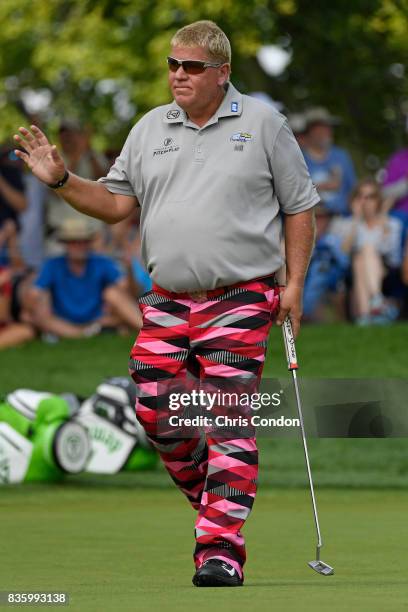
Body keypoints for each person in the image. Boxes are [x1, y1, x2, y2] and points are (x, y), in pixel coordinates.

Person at [13, 20, 318, 587]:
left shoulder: (264, 124)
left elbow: (300, 207)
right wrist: (60, 180)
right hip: (168, 301)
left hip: (242, 296)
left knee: (226, 419)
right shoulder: (151, 127)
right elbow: (111, 204)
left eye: (192, 66)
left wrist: (294, 284)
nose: (178, 74)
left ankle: (220, 549)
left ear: (221, 72)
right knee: (154, 408)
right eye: (173, 65)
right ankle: (220, 504)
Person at [27, 218, 142, 339]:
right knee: (40, 300)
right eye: (74, 241)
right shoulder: (52, 265)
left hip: (98, 318)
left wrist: (129, 270)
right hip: (63, 319)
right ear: (65, 244)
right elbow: (34, 295)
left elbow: (130, 291)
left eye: (83, 241)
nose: (79, 245)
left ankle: (149, 331)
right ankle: (86, 333)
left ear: (89, 243)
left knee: (113, 293)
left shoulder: (101, 262)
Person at [341, 178, 402, 324]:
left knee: (365, 251)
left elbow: (393, 254)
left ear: (378, 200)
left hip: (387, 270)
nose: (365, 201)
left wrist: (383, 225)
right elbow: (343, 252)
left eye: (370, 197)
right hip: (355, 271)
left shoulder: (391, 223)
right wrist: (356, 219)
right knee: (359, 260)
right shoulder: (349, 224)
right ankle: (373, 306)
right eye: (361, 196)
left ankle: (367, 312)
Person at [302, 107, 356, 216]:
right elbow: (292, 193)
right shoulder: (299, 158)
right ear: (309, 132)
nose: (324, 132)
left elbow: (354, 190)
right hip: (311, 220)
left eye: (327, 128)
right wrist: (320, 186)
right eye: (318, 129)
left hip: (342, 218)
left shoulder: (341, 156)